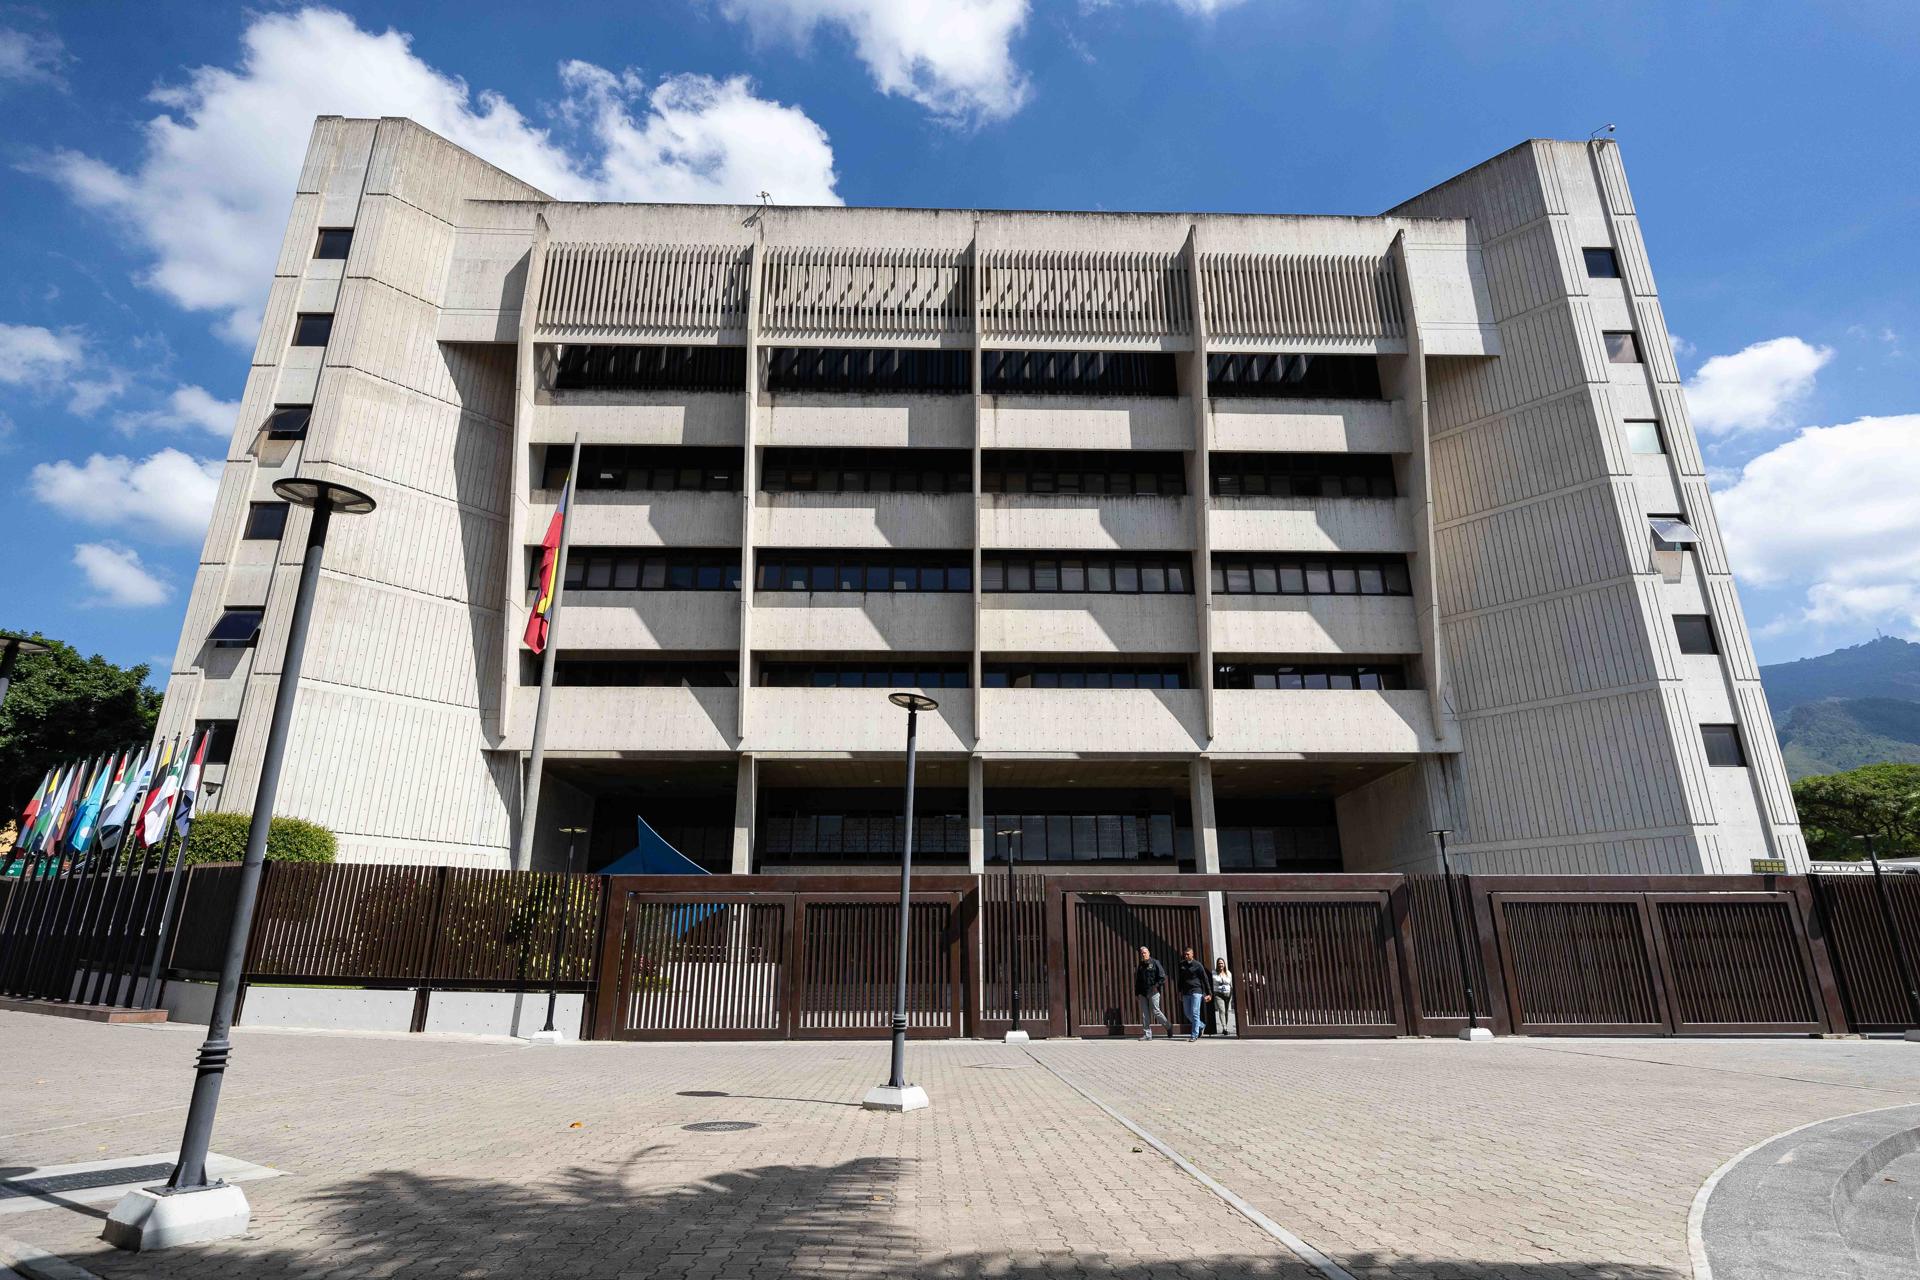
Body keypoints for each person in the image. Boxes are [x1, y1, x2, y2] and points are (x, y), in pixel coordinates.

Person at [1134, 945, 1174, 1040]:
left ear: (1149, 953)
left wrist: (1155, 987)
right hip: (1143, 993)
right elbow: (1138, 980)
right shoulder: (1140, 965)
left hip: (1153, 992)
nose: (1143, 955)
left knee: (1156, 1011)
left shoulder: (1155, 963)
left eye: (1145, 953)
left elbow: (1162, 977)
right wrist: (1137, 993)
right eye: (1142, 953)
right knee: (1145, 1014)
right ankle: (1147, 1035)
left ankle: (1168, 1026)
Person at [1175, 947, 1212, 1042]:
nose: (1186, 956)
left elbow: (1205, 979)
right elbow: (1180, 979)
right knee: (1187, 1013)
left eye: (1188, 954)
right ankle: (1201, 1025)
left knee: (1195, 1012)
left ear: (1192, 954)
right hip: (1186, 992)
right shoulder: (1181, 965)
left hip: (1196, 991)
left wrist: (1209, 993)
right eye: (1185, 954)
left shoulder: (1198, 965)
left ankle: (1194, 1035)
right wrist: (1179, 991)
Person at [1210, 956, 1235, 1036]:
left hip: (1228, 993)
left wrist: (1222, 980)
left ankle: (1226, 1026)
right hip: (1218, 993)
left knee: (1227, 1011)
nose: (1220, 965)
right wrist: (1223, 980)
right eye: (1219, 963)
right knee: (1222, 1010)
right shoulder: (1214, 972)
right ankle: (1224, 1028)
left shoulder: (1228, 972)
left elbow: (1229, 981)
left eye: (1222, 963)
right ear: (1217, 964)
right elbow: (1215, 979)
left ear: (1224, 964)